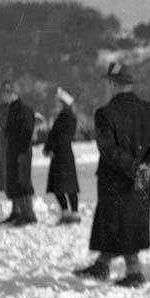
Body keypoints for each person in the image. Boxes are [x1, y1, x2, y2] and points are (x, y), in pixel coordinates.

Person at [73, 63, 150, 287]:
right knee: (124, 222)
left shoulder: (105, 113)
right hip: (142, 179)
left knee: (118, 224)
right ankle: (102, 264)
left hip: (115, 179)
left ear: (112, 84)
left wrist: (135, 168)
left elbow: (109, 150)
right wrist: (149, 165)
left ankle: (134, 272)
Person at [0, 80, 37, 226]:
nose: (3, 95)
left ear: (14, 93)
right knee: (14, 182)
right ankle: (18, 212)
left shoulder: (23, 110)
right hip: (14, 151)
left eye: (6, 92)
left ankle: (28, 214)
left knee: (23, 182)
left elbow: (27, 133)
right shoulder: (13, 109)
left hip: (21, 152)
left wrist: (22, 152)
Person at [44, 87, 81, 224]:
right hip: (59, 154)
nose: (56, 104)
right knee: (58, 186)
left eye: (58, 102)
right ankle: (66, 212)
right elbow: (54, 135)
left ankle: (75, 213)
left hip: (63, 154)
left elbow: (62, 137)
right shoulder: (62, 116)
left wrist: (51, 148)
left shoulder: (69, 117)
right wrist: (48, 148)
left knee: (69, 186)